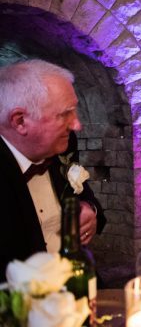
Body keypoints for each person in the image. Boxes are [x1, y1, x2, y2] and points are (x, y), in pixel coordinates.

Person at [0, 60, 105, 277]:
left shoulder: (61, 147)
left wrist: (89, 210)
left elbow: (89, 201)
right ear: (20, 121)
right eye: (65, 114)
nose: (76, 125)